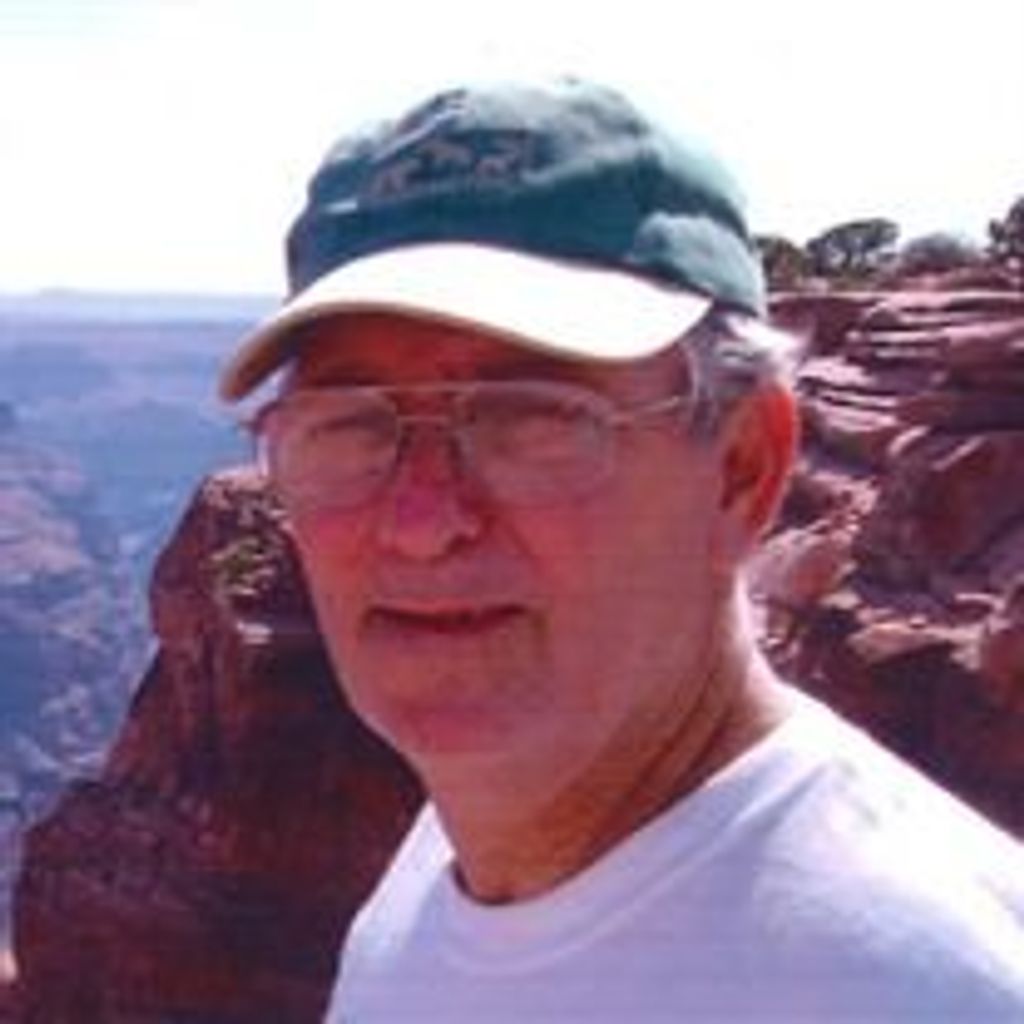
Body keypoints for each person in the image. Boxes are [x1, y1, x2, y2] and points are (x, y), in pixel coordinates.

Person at [219, 79, 1024, 1021]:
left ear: (742, 468)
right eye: (349, 424)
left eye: (532, 419)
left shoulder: (933, 990)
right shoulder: (435, 880)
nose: (423, 522)